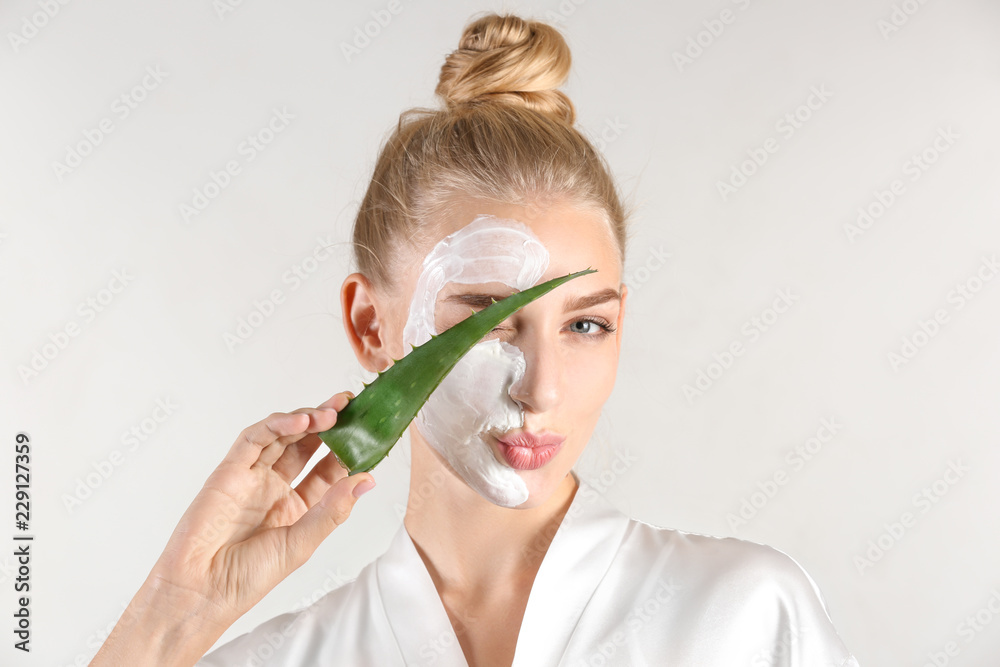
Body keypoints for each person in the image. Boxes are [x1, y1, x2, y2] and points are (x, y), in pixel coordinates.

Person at [93, 11, 860, 667]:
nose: (542, 387)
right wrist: (174, 612)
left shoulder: (746, 619)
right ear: (370, 323)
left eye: (585, 324)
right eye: (487, 320)